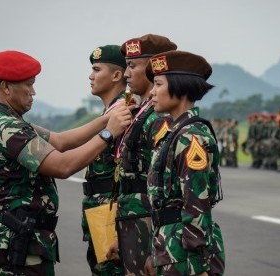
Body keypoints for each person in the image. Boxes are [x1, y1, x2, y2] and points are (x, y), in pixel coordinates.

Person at [0, 50, 133, 275]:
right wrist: (108, 134)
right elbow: (62, 166)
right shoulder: (6, 127)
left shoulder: (6, 121)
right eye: (28, 85)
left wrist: (106, 120)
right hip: (15, 241)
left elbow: (60, 141)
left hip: (20, 236)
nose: (33, 92)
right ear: (6, 87)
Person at [145, 50, 225, 275]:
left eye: (158, 84)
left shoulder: (190, 138)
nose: (152, 92)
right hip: (169, 245)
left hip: (185, 253)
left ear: (179, 88)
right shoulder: (174, 132)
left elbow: (195, 204)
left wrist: (198, 265)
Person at [106, 34, 177, 275]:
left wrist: (156, 247)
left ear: (151, 68)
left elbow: (164, 188)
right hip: (133, 221)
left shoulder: (159, 118)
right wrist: (123, 235)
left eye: (132, 66)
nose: (126, 74)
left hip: (148, 223)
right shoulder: (140, 110)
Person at [80, 44, 127, 275]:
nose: (91, 76)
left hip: (113, 215)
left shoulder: (124, 113)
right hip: (101, 211)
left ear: (117, 75)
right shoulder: (111, 112)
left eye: (97, 69)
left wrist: (121, 229)